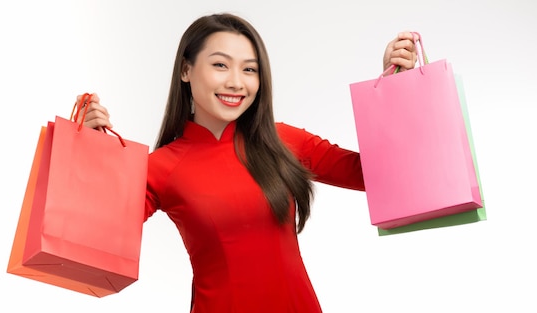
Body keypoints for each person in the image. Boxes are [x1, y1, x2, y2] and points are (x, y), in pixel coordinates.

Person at [75, 13, 417, 313]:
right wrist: (92, 155)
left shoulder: (282, 140)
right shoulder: (159, 167)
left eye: (249, 69)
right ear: (185, 69)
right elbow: (93, 236)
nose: (236, 82)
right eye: (220, 65)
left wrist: (394, 89)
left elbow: (375, 174)